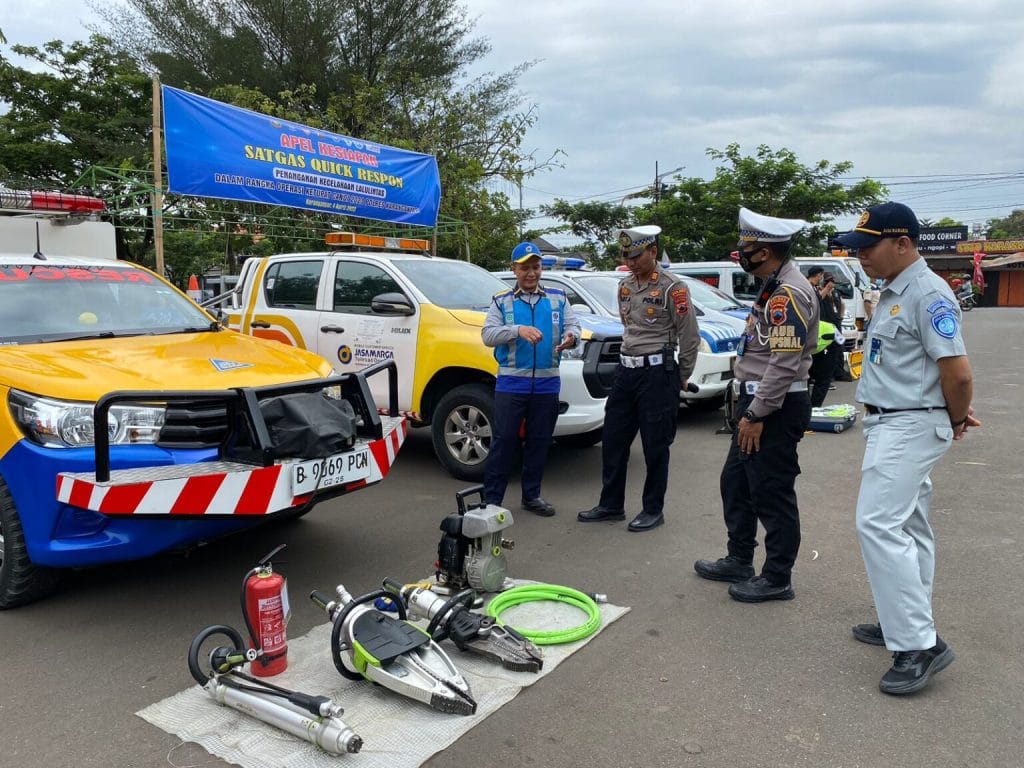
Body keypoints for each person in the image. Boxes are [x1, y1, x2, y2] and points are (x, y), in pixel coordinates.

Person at [835, 201, 979, 695]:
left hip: (906, 427)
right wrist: (948, 412)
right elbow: (922, 369)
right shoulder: (895, 290)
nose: (860, 258)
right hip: (899, 420)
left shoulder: (927, 293)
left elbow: (957, 372)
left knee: (877, 523)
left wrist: (954, 415)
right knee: (910, 525)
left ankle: (918, 644)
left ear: (902, 243)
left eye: (867, 247)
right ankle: (904, 621)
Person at [694, 207, 819, 602]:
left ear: (763, 252)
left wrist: (755, 413)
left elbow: (784, 364)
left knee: (771, 491)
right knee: (736, 483)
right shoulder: (772, 285)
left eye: (745, 247)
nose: (740, 253)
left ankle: (777, 577)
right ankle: (739, 558)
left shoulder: (787, 294)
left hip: (774, 407)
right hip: (760, 402)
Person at [577, 225, 700, 532]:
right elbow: (628, 324)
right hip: (626, 372)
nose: (630, 262)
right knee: (614, 439)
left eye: (636, 256)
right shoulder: (625, 286)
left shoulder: (674, 287)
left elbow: (690, 335)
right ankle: (611, 504)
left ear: (653, 252)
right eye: (626, 256)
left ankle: (653, 509)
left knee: (655, 446)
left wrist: (681, 375)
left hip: (657, 374)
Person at [481, 242, 581, 516]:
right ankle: (492, 500)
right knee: (504, 442)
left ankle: (532, 496)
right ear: (514, 270)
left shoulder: (558, 297)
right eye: (525, 268)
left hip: (548, 384)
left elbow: (574, 327)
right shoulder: (502, 301)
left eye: (535, 267)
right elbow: (488, 335)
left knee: (539, 441)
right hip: (512, 384)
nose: (531, 273)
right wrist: (517, 330)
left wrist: (571, 339)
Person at [806, 267, 844, 407]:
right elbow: (815, 302)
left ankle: (839, 371)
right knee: (821, 376)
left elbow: (840, 305)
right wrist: (827, 289)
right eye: (823, 277)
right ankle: (812, 408)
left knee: (838, 347)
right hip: (820, 332)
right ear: (819, 275)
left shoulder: (825, 291)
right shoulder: (809, 288)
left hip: (829, 328)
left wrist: (839, 316)